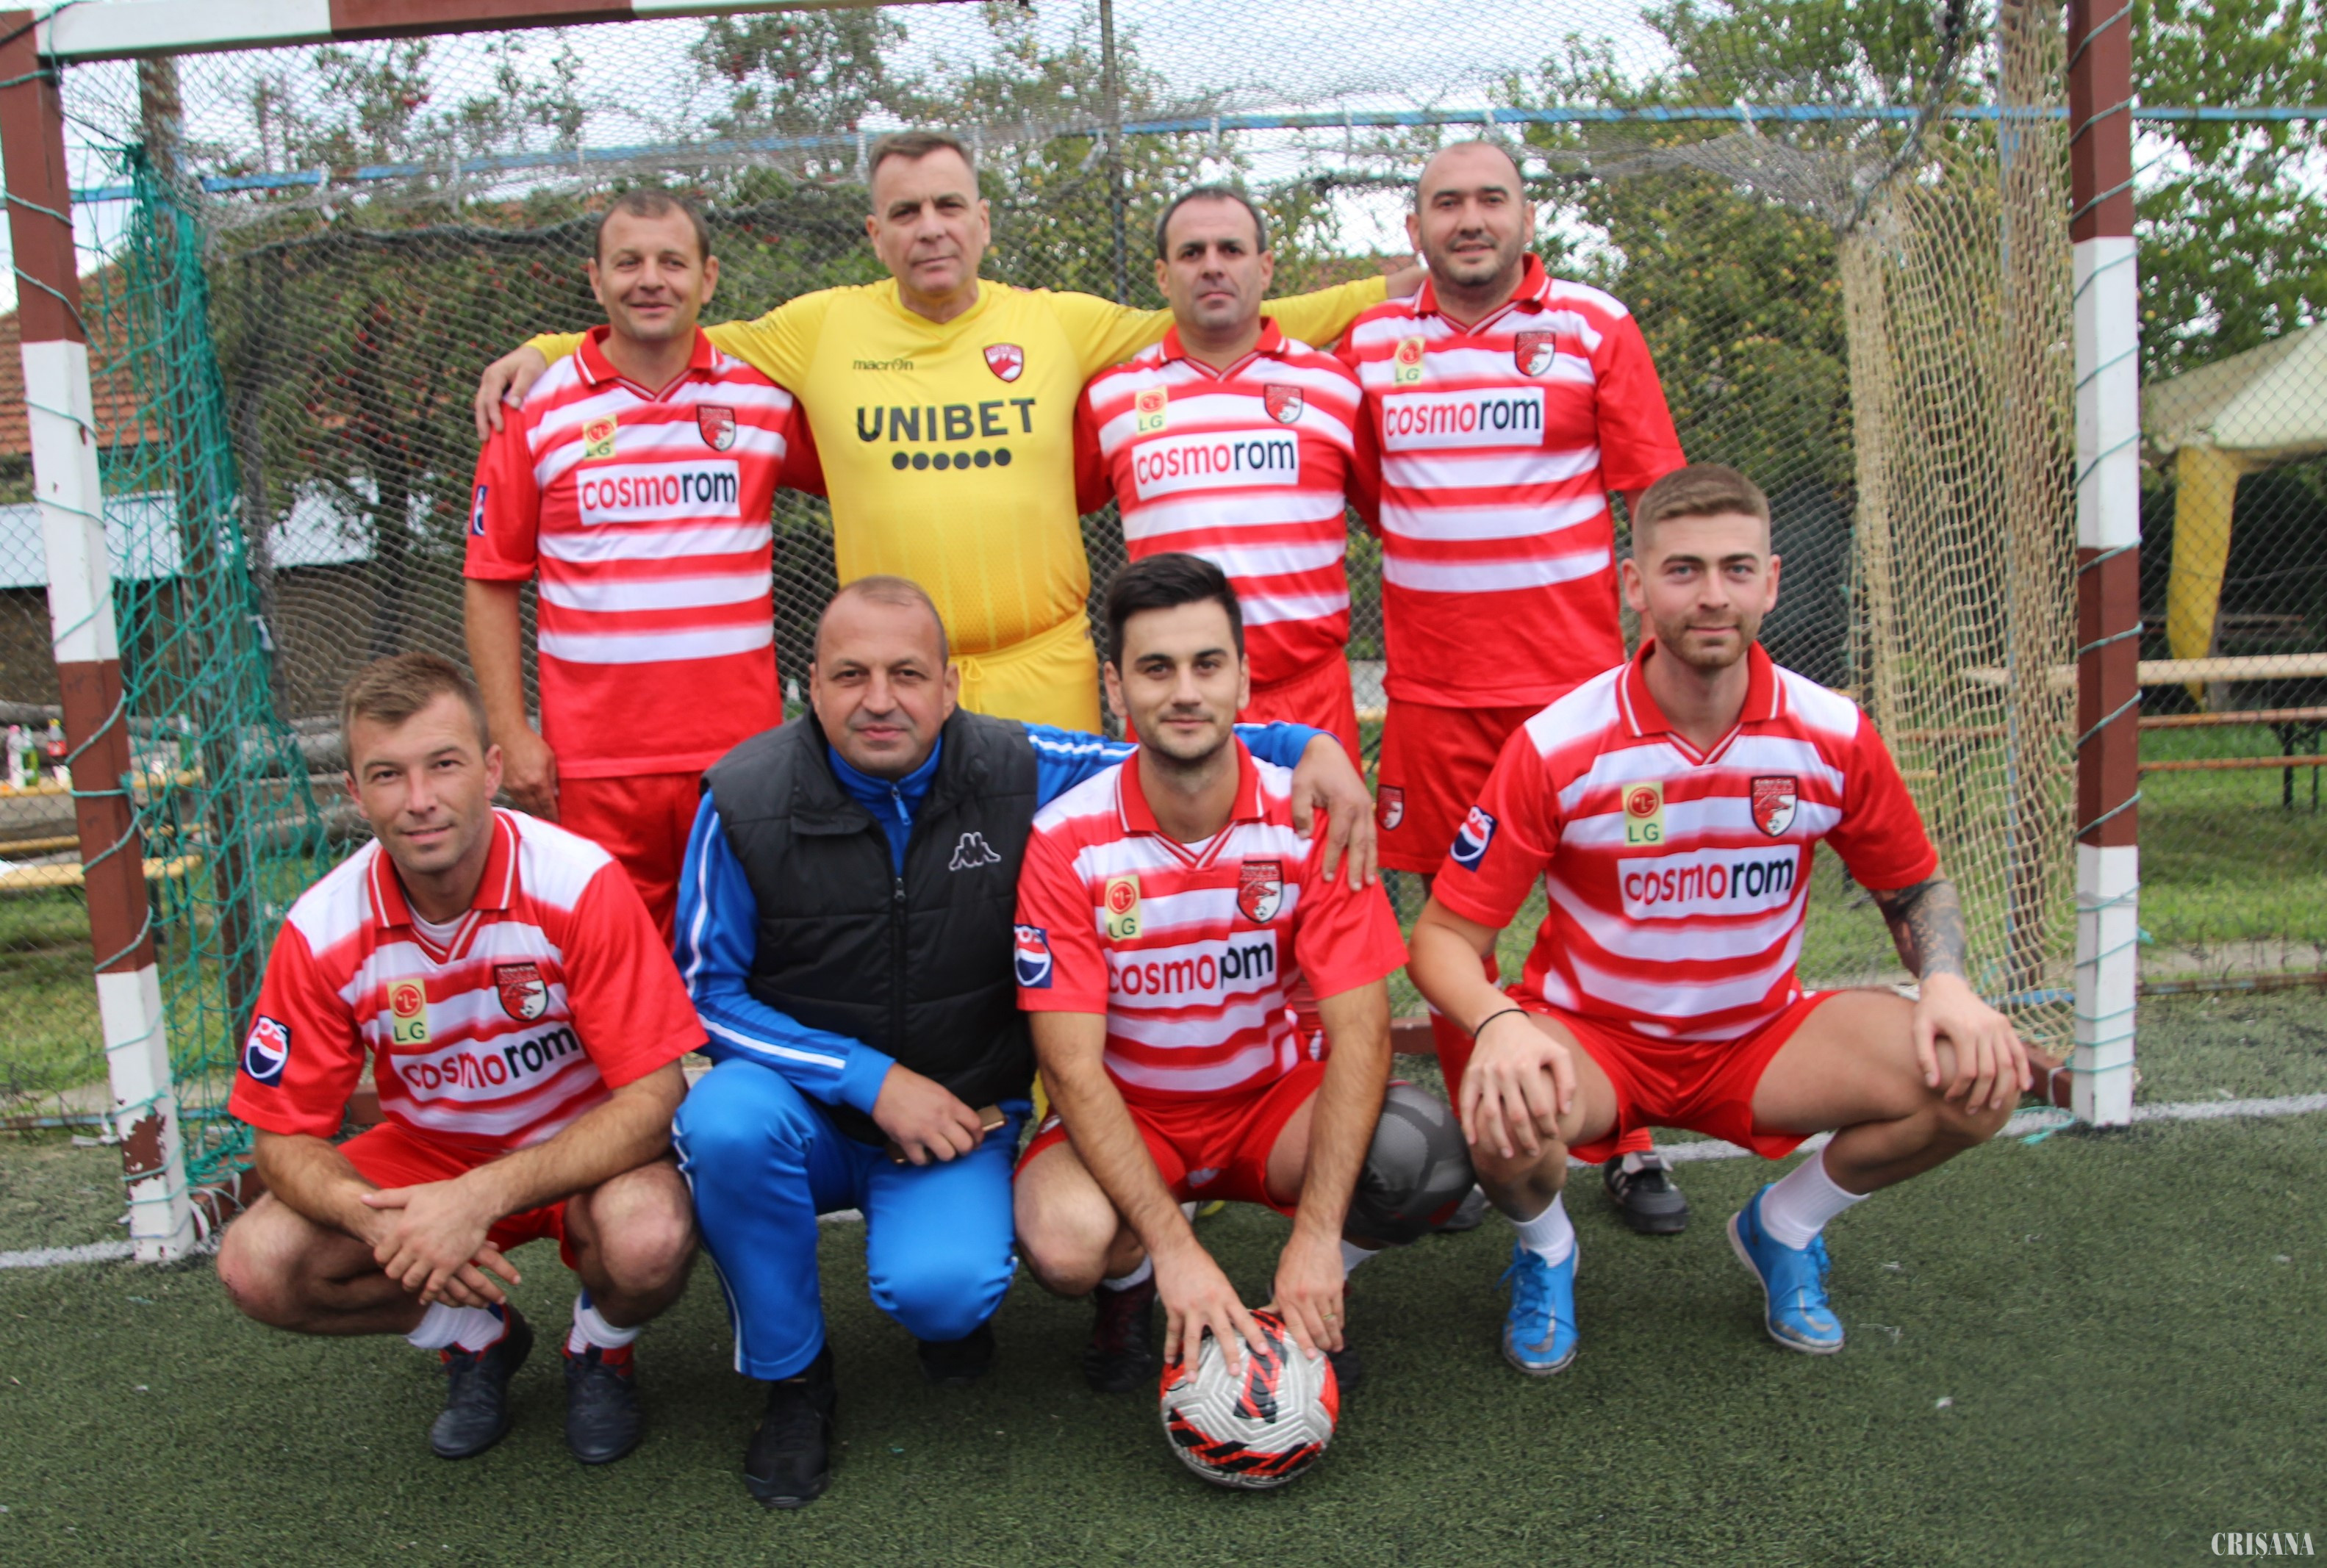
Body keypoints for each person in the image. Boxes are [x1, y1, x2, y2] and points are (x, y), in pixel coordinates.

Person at [666, 575, 1379, 1510]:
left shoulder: (1017, 765)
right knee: (721, 1121)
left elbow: (1175, 741)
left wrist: (1310, 746)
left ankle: (954, 1306)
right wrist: (866, 1077)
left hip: (957, 1116)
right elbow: (702, 996)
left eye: (906, 674)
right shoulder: (742, 797)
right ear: (810, 683)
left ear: (950, 684)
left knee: (946, 1292)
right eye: (850, 675)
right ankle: (793, 1381)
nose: (879, 699)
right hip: (801, 1110)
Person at [1405, 465, 2031, 1374]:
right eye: (1683, 570)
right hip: (1595, 1039)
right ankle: (1547, 1251)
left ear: (1769, 582)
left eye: (1736, 569)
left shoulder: (1831, 732)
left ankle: (1785, 1226)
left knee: (1980, 1083)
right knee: (1505, 1109)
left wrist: (1947, 983)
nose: (1712, 596)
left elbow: (1913, 888)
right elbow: (1442, 937)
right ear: (1635, 586)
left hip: (1760, 1037)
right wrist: (1499, 1023)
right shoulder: (1557, 743)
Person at [473, 132, 1419, 733]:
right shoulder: (818, 328)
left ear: (984, 222)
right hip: (900, 686)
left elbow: (1235, 315)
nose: (930, 227)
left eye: (948, 206)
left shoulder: (1058, 322)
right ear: (875, 234)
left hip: (1044, 665)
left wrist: (1399, 288)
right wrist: (547, 349)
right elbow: (671, 334)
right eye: (905, 212)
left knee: (1059, 887)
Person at [215, 653, 703, 1464]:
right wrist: (390, 1224)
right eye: (388, 775)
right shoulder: (320, 926)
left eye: (443, 765)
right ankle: (476, 1336)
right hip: (430, 1155)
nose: (419, 800)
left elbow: (655, 1099)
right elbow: (282, 1137)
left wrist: (479, 1197)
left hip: (581, 1147)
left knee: (648, 1238)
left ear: (491, 769)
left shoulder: (579, 883)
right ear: (355, 793)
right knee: (257, 1265)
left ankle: (599, 1345)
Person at [1013, 554, 1474, 1404]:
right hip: (1134, 1109)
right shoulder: (1064, 839)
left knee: (1422, 1154)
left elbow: (1362, 1032)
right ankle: (1131, 1289)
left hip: (1271, 1104)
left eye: (1207, 664)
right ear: (1116, 688)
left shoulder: (1310, 819)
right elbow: (1070, 1068)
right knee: (1063, 1243)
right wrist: (1175, 1249)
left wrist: (1318, 1237)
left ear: (1243, 678)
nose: (1184, 691)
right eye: (1156, 668)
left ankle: (1311, 1296)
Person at [1338, 138, 1692, 1232]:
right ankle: (1486, 1134)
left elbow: (1657, 497)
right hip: (1437, 697)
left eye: (1491, 198)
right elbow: (1373, 496)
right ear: (1415, 229)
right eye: (1446, 202)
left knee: (1607, 911)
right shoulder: (1368, 346)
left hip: (1580, 697)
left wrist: (1668, 653)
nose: (1470, 219)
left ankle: (1625, 1135)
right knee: (1455, 928)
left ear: (1526, 217)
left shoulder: (1594, 325)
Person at [464, 190, 814, 941]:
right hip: (594, 769)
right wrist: (511, 733)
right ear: (596, 281)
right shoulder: (532, 408)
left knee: (743, 964)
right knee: (611, 972)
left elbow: (865, 471)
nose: (650, 280)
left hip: (741, 758)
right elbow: (491, 578)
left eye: (672, 262)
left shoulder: (765, 399)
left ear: (708, 279)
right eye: (628, 263)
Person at [1074, 185, 1368, 759]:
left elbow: (1394, 513)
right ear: (1163, 277)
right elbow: (1059, 509)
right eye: (1192, 253)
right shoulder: (1111, 398)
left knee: (1325, 826)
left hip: (1309, 699)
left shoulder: (1335, 386)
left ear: (1265, 266)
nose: (1212, 266)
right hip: (1172, 703)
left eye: (1231, 250)